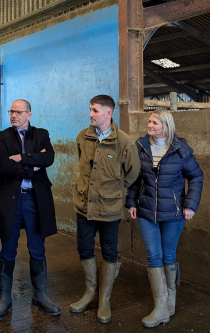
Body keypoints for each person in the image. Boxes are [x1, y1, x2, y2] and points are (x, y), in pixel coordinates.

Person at [126, 108, 203, 328]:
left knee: (169, 254)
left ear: (166, 126)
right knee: (153, 256)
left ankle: (170, 303)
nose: (149, 126)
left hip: (174, 212)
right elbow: (134, 178)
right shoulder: (141, 147)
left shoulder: (180, 150)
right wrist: (131, 202)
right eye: (149, 122)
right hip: (146, 211)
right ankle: (160, 308)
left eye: (154, 123)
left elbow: (197, 176)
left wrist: (190, 205)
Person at [70, 95, 139, 324]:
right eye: (90, 109)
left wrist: (114, 191)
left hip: (110, 208)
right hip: (84, 205)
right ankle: (90, 293)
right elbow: (83, 167)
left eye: (95, 110)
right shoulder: (83, 137)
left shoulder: (124, 142)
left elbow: (132, 173)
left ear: (108, 114)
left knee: (109, 251)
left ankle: (104, 300)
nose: (90, 114)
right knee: (84, 247)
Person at [0, 99, 60, 321]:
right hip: (10, 200)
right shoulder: (2, 136)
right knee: (8, 250)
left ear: (29, 114)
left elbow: (49, 157)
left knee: (37, 249)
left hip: (35, 200)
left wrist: (21, 158)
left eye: (19, 112)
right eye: (12, 111)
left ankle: (40, 296)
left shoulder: (41, 134)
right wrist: (33, 165)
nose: (14, 115)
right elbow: (3, 165)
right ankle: (5, 299)